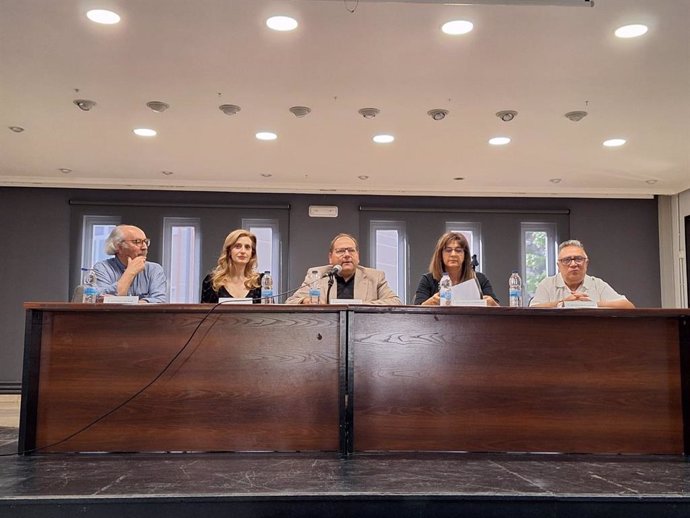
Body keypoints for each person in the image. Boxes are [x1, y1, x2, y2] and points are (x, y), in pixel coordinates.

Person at [286, 233, 402, 305]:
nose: (347, 255)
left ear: (358, 256)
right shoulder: (317, 274)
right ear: (330, 258)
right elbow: (291, 302)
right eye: (341, 251)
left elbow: (395, 302)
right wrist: (305, 301)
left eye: (351, 250)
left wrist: (360, 305)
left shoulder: (375, 277)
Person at [529, 239, 635, 308]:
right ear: (559, 265)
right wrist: (563, 303)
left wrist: (592, 305)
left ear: (586, 263)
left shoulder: (597, 284)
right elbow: (532, 309)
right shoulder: (547, 284)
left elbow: (628, 306)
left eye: (579, 259)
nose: (573, 264)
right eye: (567, 260)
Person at [414, 231, 499, 306]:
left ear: (465, 255)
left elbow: (498, 309)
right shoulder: (428, 280)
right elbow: (415, 312)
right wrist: (429, 303)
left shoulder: (479, 279)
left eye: (458, 250)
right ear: (440, 255)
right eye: (448, 250)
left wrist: (492, 304)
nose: (453, 254)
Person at [93, 224, 168, 303]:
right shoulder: (102, 268)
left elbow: (159, 301)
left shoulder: (154, 269)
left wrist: (131, 304)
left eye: (146, 242)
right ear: (118, 246)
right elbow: (101, 301)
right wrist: (130, 272)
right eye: (137, 242)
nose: (144, 247)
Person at [201, 229, 263, 303]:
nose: (243, 251)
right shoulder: (212, 281)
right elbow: (203, 313)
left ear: (252, 253)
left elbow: (270, 312)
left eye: (247, 247)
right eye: (238, 246)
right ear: (229, 251)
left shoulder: (259, 282)